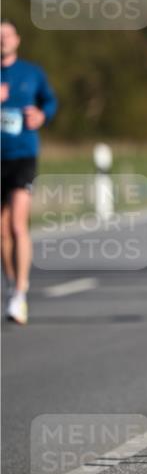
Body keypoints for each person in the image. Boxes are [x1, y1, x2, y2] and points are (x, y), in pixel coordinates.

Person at [1, 20, 57, 324]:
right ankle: (13, 285)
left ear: (16, 40)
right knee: (1, 230)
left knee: (17, 224)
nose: (2, 40)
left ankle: (21, 292)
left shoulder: (31, 72)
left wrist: (41, 115)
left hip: (22, 154)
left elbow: (50, 102)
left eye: (6, 35)